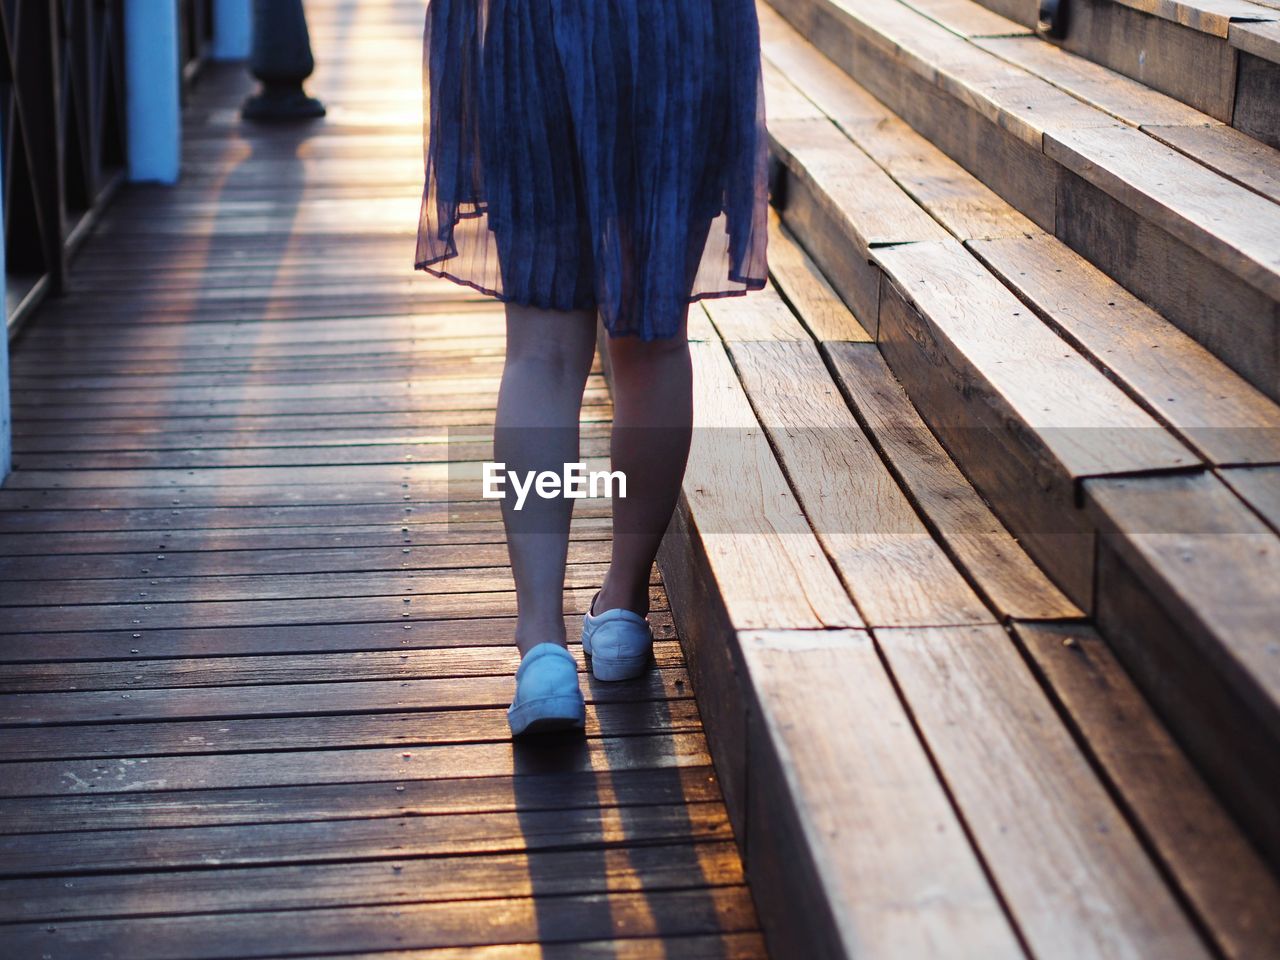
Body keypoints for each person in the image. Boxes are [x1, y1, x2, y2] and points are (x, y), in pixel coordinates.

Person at [416, 0, 770, 736]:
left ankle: (542, 648)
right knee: (652, 341)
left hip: (536, 26)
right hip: (674, 29)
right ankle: (622, 610)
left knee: (541, 352)